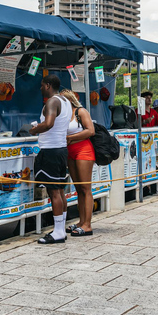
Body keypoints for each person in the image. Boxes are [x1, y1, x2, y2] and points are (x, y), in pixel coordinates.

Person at [29, 75, 73, 244]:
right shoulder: (66, 101)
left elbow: (48, 123)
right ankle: (60, 229)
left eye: (41, 85)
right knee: (60, 190)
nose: (40, 88)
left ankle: (58, 232)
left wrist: (34, 130)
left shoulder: (52, 102)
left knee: (54, 192)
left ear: (48, 85)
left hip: (51, 151)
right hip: (61, 149)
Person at [60, 89, 96, 236]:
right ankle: (81, 221)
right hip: (70, 152)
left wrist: (71, 138)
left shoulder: (80, 111)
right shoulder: (63, 115)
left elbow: (90, 130)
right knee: (78, 188)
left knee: (86, 188)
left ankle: (87, 224)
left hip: (83, 150)